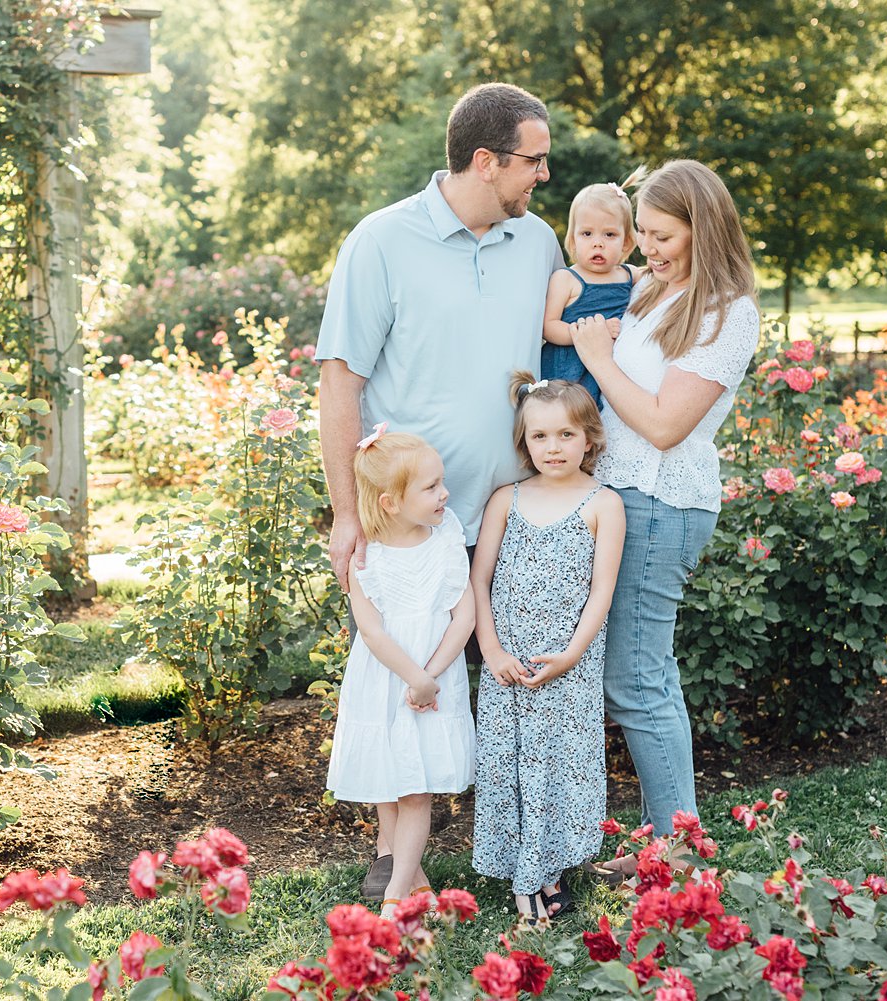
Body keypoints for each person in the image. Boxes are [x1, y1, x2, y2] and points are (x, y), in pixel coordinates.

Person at [316, 81, 564, 900]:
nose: (544, 177)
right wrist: (348, 517)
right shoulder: (381, 241)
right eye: (534, 161)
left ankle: (531, 852)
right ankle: (398, 857)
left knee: (520, 681)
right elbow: (340, 382)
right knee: (403, 682)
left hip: (517, 514)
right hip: (411, 523)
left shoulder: (536, 243)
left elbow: (574, 340)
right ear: (485, 160)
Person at [568, 160, 760, 874]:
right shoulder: (654, 288)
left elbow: (662, 423)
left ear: (702, 228)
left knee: (637, 675)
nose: (646, 247)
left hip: (662, 498)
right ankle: (664, 835)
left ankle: (677, 848)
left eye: (661, 235)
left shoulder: (726, 311)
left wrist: (596, 353)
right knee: (641, 673)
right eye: (642, 232)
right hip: (620, 496)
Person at [469, 373, 624, 921]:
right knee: (510, 765)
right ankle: (521, 869)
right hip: (508, 664)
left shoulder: (603, 503)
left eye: (564, 435)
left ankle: (551, 867)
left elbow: (601, 591)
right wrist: (489, 649)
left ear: (589, 439)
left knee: (560, 765)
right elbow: (479, 580)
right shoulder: (506, 499)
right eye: (539, 437)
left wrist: (572, 655)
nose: (552, 448)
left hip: (567, 665)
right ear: (523, 441)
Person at [325, 429, 476, 917]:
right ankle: (415, 880)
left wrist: (430, 676)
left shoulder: (446, 540)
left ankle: (394, 901)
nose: (444, 494)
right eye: (431, 488)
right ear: (390, 502)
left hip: (433, 678)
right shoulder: (365, 561)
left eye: (441, 483)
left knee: (416, 786)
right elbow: (370, 632)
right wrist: (414, 676)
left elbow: (465, 617)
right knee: (389, 778)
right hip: (386, 678)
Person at [541, 179, 646, 409]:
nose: (598, 243)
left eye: (609, 235)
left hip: (609, 374)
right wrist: (591, 333)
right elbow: (548, 326)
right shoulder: (566, 279)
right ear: (573, 240)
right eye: (587, 234)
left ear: (627, 242)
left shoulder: (629, 275)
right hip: (568, 373)